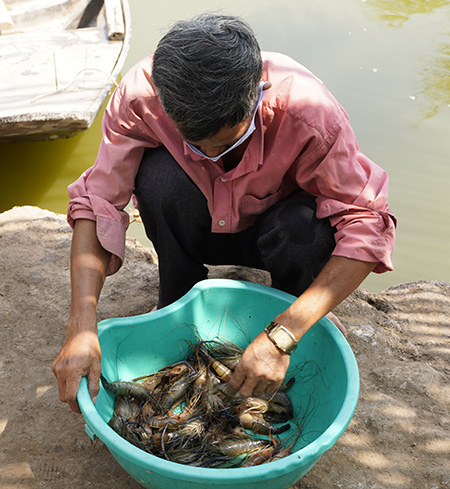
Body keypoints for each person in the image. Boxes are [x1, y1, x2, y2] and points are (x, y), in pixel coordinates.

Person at [52, 13, 396, 414]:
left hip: (275, 231)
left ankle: (289, 308)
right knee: (158, 177)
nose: (212, 157)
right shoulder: (141, 95)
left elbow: (367, 223)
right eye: (198, 145)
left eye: (227, 143)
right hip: (199, 224)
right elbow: (98, 201)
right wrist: (81, 322)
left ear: (257, 93)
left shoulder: (309, 110)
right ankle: (175, 300)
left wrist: (286, 333)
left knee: (307, 229)